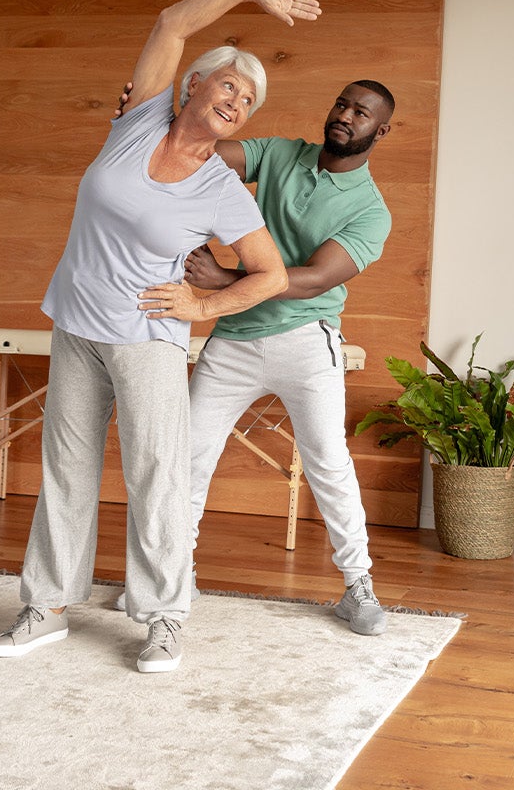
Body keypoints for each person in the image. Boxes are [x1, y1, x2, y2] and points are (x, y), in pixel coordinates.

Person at [0, 0, 315, 676]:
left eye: (249, 100)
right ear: (192, 86)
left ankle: (163, 616)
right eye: (228, 85)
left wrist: (202, 306)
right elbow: (170, 22)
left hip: (148, 341)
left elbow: (271, 274)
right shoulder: (138, 123)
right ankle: (46, 608)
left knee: (155, 475)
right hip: (77, 324)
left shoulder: (221, 188)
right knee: (65, 470)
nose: (236, 101)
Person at [159, 77, 400, 637]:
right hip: (234, 340)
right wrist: (167, 111)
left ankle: (358, 585)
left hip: (306, 342)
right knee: (187, 460)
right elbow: (198, 146)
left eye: (360, 113)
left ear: (379, 130)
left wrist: (225, 279)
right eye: (341, 103)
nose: (345, 115)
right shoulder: (279, 154)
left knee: (328, 463)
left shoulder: (371, 211)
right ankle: (171, 575)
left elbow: (316, 278)